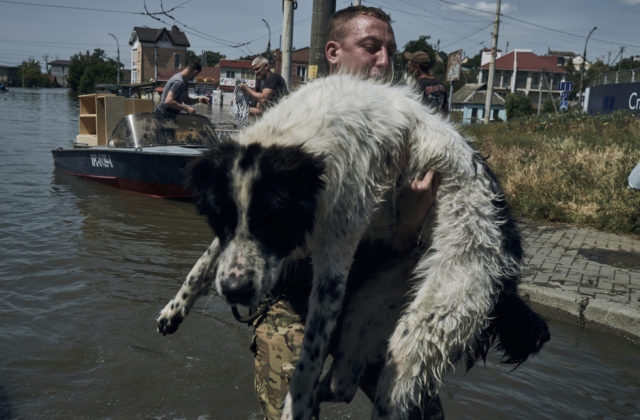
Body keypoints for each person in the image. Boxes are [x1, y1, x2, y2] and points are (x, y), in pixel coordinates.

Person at [249, 6, 442, 420]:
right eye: (371, 48)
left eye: (391, 50)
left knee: (420, 412)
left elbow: (405, 257)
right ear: (333, 52)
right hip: (295, 299)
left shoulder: (410, 134)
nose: (385, 62)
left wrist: (410, 222)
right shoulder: (293, 127)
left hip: (368, 300)